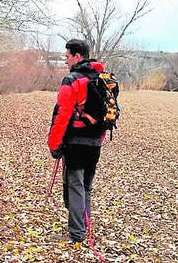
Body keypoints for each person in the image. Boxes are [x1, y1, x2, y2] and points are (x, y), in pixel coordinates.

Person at [47, 39, 107, 243]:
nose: (65, 61)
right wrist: (99, 138)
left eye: (67, 56)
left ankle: (77, 234)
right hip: (95, 143)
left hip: (75, 143)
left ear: (77, 56)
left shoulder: (72, 80)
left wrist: (54, 145)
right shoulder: (101, 79)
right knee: (86, 187)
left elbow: (62, 115)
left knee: (75, 187)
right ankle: (85, 227)